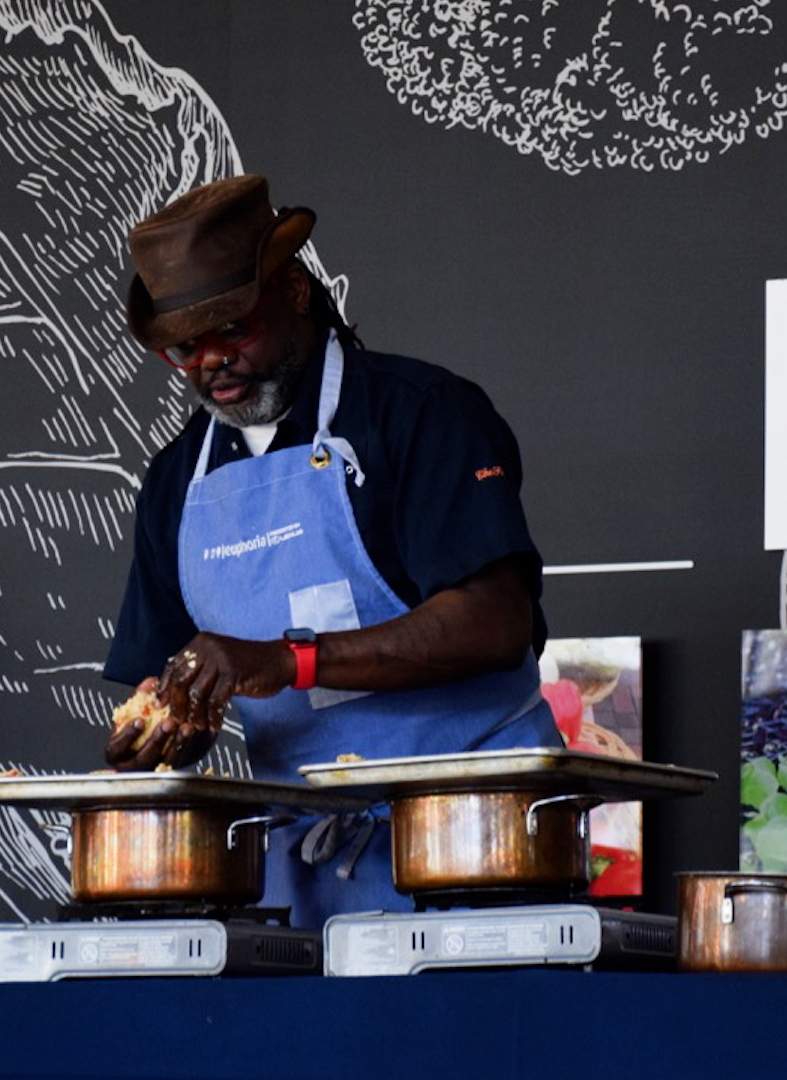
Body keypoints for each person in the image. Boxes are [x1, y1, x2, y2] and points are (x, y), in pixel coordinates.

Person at [101, 174, 561, 925]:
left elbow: (494, 622)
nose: (210, 362)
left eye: (232, 330)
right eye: (185, 346)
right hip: (300, 875)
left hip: (480, 853)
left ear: (294, 292)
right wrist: (162, 735)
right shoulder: (175, 482)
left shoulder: (422, 415)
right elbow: (172, 679)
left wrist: (287, 659)